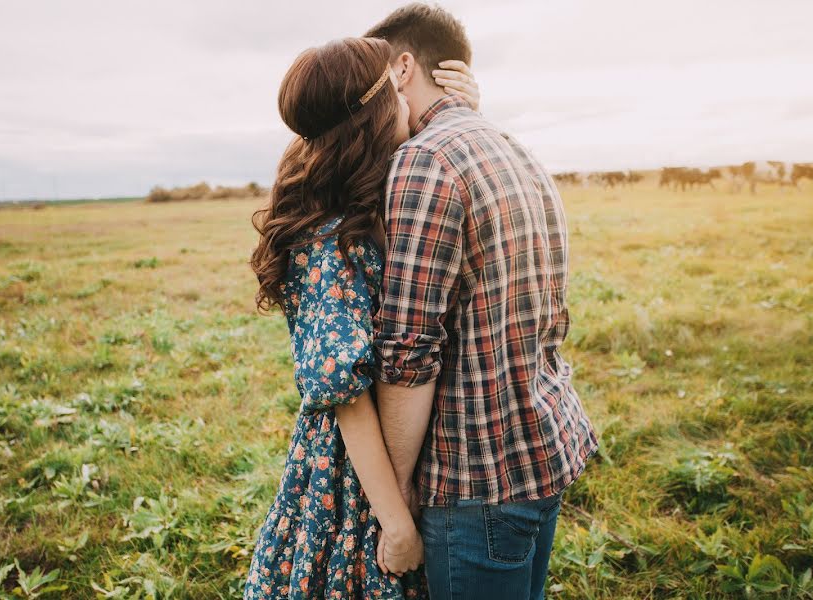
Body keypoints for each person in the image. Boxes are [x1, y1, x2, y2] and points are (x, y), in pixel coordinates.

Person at [364, 4, 599, 599]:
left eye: (373, 79)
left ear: (403, 68)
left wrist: (394, 498)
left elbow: (409, 352)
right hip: (540, 445)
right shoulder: (510, 146)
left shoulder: (424, 162)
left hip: (474, 480)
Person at [246, 35, 480, 599]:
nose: (409, 100)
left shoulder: (363, 196)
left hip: (392, 444)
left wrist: (465, 114)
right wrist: (395, 521)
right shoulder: (331, 236)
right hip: (356, 471)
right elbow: (344, 394)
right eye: (398, 94)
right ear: (377, 112)